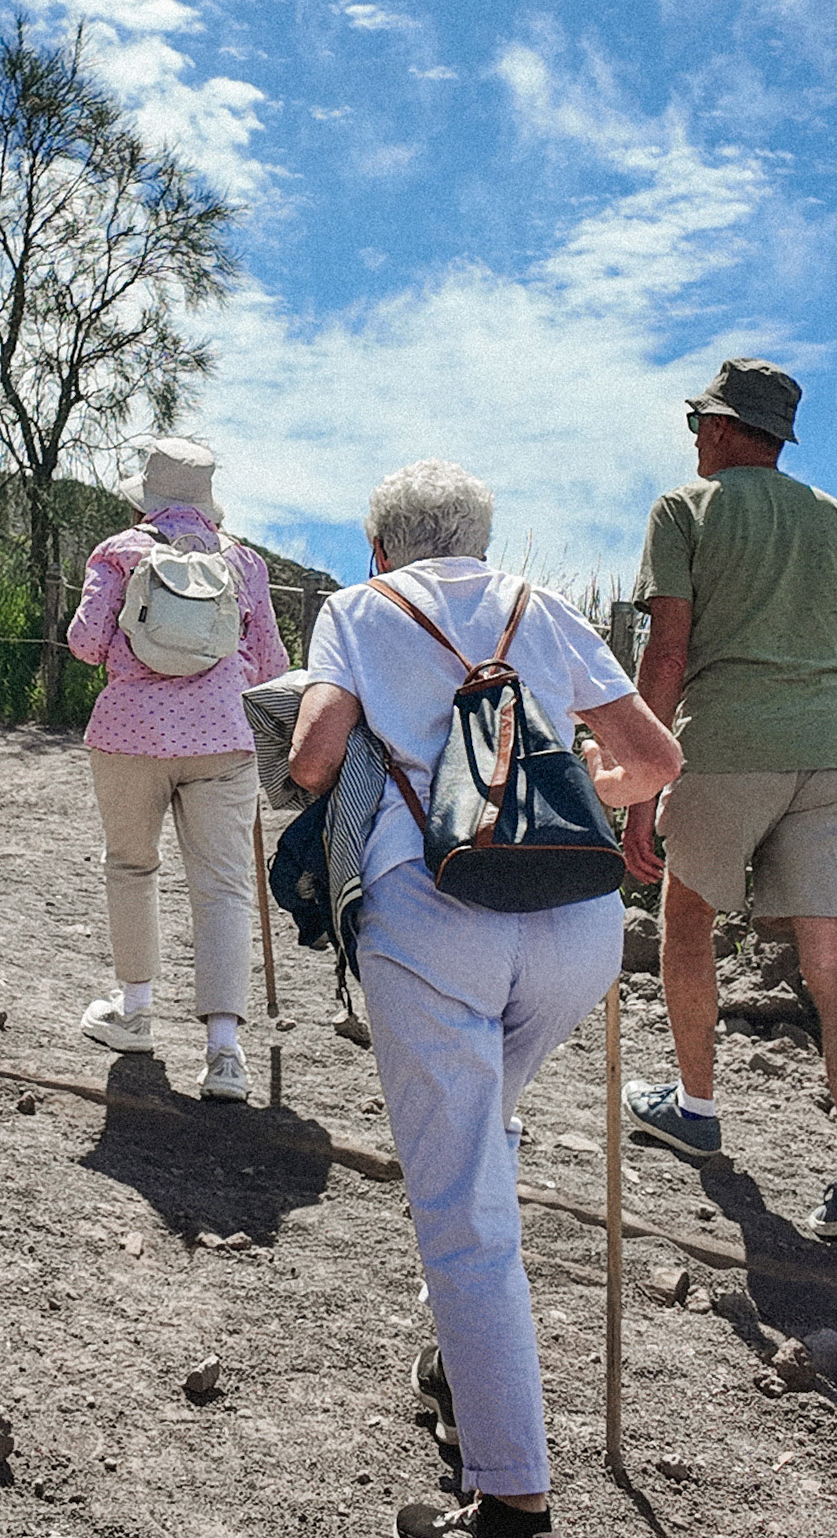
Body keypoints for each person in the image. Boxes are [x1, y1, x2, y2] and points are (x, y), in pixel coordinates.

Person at [288, 460, 682, 1538]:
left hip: (436, 922)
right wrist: (578, 791)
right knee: (483, 1141)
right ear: (481, 538)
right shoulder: (542, 609)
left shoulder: (355, 611)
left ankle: (511, 1494)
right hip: (574, 922)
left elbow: (317, 753)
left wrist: (318, 758)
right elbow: (654, 757)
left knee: (459, 1202)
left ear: (381, 549)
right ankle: (465, 1371)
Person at [615, 359, 837, 1244]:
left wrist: (639, 787)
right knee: (835, 963)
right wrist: (828, 741)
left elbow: (667, 656)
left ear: (732, 430)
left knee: (686, 915)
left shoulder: (684, 511)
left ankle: (695, 1107)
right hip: (833, 755)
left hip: (728, 745)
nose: (696, 435)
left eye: (704, 421)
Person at [62, 437, 291, 1100]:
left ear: (149, 496)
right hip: (224, 738)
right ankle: (224, 1054)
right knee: (223, 887)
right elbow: (272, 665)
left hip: (130, 735)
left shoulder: (120, 552)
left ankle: (134, 1012)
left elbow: (83, 643)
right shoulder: (243, 562)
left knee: (132, 865)